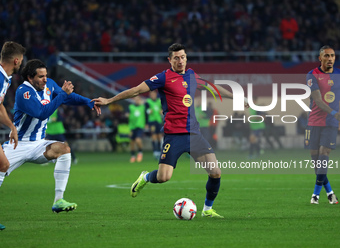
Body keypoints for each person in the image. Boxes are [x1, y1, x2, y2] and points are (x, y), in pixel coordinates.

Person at [93, 43, 248, 218]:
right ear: (170, 60)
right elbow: (136, 90)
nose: (180, 61)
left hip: (194, 134)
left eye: (182, 57)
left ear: (186, 58)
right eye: (176, 58)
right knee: (163, 177)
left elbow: (212, 88)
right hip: (174, 135)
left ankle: (207, 210)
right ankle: (145, 178)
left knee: (215, 172)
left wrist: (235, 96)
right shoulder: (163, 78)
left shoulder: (192, 76)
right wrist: (109, 100)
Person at [0, 59, 101, 213]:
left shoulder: (50, 85)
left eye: (46, 75)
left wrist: (88, 102)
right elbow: (42, 113)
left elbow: (67, 97)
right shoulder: (23, 92)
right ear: (30, 77)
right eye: (40, 76)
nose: (45, 79)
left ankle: (58, 200)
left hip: (38, 144)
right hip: (18, 144)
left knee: (64, 149)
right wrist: (61, 94)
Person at [305, 45, 340, 205]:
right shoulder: (312, 75)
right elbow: (318, 100)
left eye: (332, 55)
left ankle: (315, 195)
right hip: (314, 121)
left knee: (324, 154)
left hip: (331, 123)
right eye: (326, 56)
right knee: (316, 161)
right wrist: (335, 113)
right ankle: (330, 193)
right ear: (320, 58)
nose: (330, 58)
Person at [0, 41, 26, 231]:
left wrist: (12, 126)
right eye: (21, 61)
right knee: (3, 164)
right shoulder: (1, 78)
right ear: (16, 60)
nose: (21, 64)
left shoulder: (4, 78)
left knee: (3, 164)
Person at [145, 90, 163, 159]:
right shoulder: (148, 102)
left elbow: (162, 109)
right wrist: (149, 111)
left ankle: (159, 151)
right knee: (154, 136)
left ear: (156, 94)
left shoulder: (159, 101)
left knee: (159, 137)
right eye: (151, 94)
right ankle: (155, 152)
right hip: (151, 122)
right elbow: (146, 111)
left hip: (158, 121)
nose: (153, 95)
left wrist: (161, 111)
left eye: (154, 94)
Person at [128, 96, 145, 163]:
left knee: (138, 140)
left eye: (138, 99)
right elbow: (129, 116)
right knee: (132, 142)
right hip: (132, 127)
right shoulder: (131, 107)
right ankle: (132, 156)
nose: (137, 101)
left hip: (140, 126)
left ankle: (140, 153)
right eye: (136, 99)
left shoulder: (143, 107)